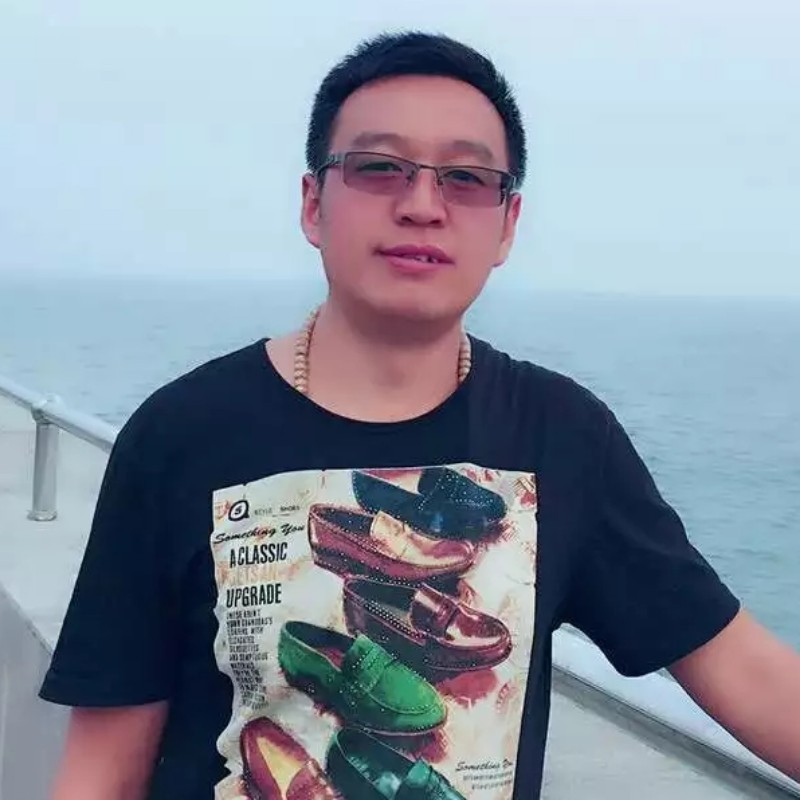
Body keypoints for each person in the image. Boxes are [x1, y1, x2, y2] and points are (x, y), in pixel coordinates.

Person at [40, 30, 800, 800]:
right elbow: (102, 767)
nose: (422, 206)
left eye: (466, 178)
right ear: (313, 204)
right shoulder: (181, 434)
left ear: (507, 224)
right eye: (379, 168)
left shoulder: (563, 436)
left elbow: (741, 667)